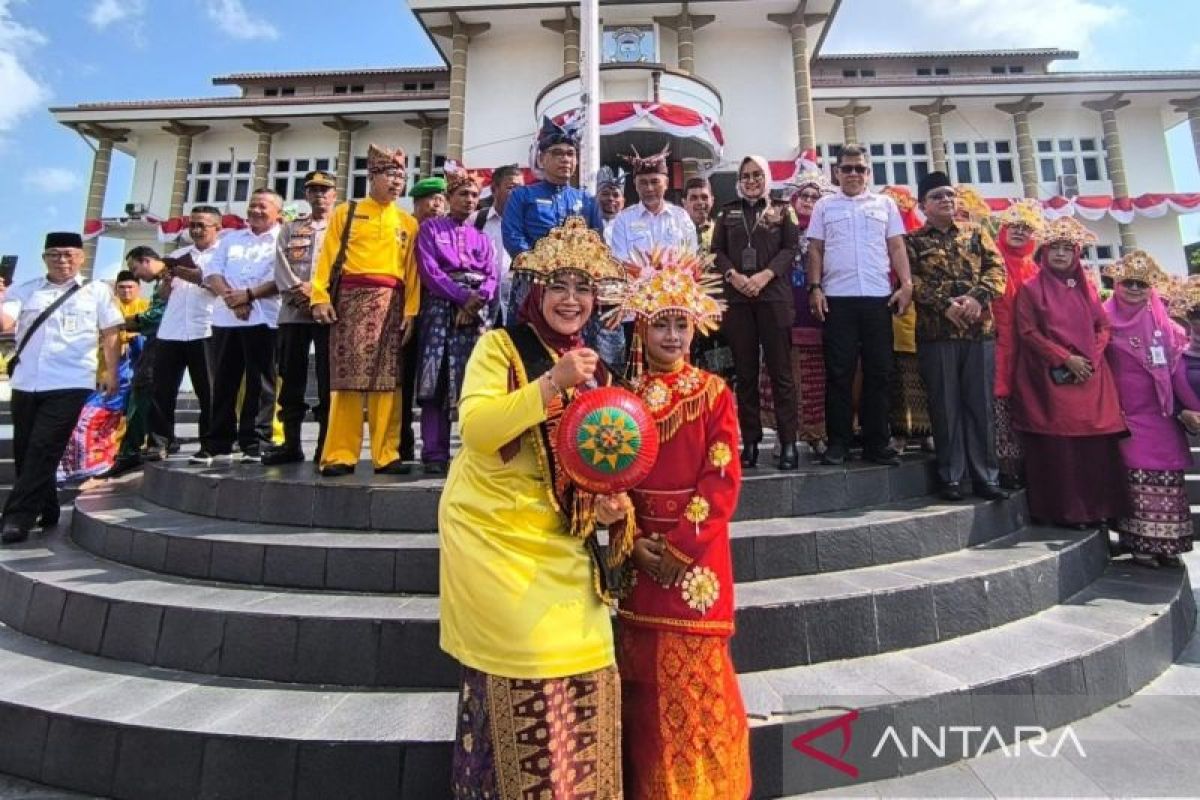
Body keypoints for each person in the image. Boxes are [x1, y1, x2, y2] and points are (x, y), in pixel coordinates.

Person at [439, 218, 627, 797]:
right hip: (495, 540)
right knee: (526, 671)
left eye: (582, 288)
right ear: (535, 293)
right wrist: (551, 385)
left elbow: (603, 463)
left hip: (565, 545)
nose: (571, 300)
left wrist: (613, 506)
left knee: (591, 666)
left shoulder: (599, 369)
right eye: (558, 286)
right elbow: (476, 428)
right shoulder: (500, 348)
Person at [610, 246, 751, 799]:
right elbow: (612, 477)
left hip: (697, 557)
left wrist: (679, 548)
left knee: (696, 684)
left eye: (681, 325)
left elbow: (721, 479)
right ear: (641, 328)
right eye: (661, 324)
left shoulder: (714, 393)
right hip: (638, 555)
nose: (672, 336)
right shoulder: (622, 398)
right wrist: (632, 539)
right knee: (640, 685)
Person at [0, 232, 123, 542]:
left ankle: (16, 518)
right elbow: (4, 323)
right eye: (54, 254)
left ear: (81, 258)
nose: (62, 260)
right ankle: (48, 506)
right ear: (44, 258)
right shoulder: (26, 291)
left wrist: (111, 372)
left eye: (69, 254)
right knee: (26, 449)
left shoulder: (95, 292)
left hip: (70, 381)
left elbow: (111, 333)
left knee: (44, 447)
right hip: (27, 381)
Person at [1009, 217, 1126, 528]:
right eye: (1054, 248)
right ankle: (1065, 512)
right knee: (1059, 448)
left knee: (1095, 449)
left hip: (1090, 376)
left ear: (1076, 254)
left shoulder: (1086, 287)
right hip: (1050, 378)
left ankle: (1097, 510)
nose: (1060, 254)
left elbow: (1103, 326)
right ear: (1043, 253)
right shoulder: (1031, 289)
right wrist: (1065, 358)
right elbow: (1028, 332)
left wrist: (1091, 358)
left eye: (1066, 248)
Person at [311, 144, 420, 477]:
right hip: (350, 300)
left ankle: (386, 454)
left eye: (401, 177)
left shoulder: (407, 222)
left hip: (391, 303)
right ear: (372, 176)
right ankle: (340, 454)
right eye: (390, 175)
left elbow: (412, 271)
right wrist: (319, 296)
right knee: (345, 381)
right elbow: (328, 257)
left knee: (388, 382)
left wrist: (411, 311)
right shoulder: (347, 211)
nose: (397, 182)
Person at [806, 144, 913, 467]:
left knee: (880, 372)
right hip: (837, 298)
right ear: (836, 172)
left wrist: (906, 284)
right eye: (847, 168)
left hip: (878, 297)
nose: (853, 174)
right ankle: (839, 442)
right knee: (839, 372)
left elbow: (896, 246)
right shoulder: (825, 206)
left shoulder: (885, 205)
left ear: (869, 173)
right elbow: (815, 250)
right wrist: (815, 288)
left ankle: (876, 443)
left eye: (860, 169)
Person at [906, 171, 1008, 502]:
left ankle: (986, 477)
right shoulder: (913, 241)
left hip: (979, 333)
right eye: (937, 196)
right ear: (923, 205)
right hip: (938, 334)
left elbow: (998, 271)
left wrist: (977, 298)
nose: (946, 200)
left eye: (950, 195)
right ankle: (951, 476)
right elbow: (911, 282)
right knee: (945, 407)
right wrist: (943, 304)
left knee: (980, 406)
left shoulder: (976, 234)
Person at [1103, 250, 1200, 567]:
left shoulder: (1163, 321)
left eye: (1141, 284)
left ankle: (1168, 545)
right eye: (1128, 282)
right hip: (1125, 411)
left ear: (1151, 288)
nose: (1134, 288)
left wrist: (1188, 407)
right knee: (1136, 477)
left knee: (1167, 479)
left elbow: (1177, 366)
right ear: (1117, 284)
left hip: (1162, 414)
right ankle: (1141, 544)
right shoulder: (1103, 318)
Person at [713, 154, 801, 469]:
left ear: (766, 177)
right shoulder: (727, 212)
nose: (751, 181)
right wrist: (734, 276)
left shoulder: (782, 209)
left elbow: (791, 248)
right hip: (738, 299)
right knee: (746, 372)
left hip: (773, 296)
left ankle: (788, 441)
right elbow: (717, 251)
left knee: (780, 373)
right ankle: (749, 442)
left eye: (757, 175)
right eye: (746, 175)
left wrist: (764, 276)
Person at [415, 165, 496, 474]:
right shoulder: (431, 230)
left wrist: (477, 301)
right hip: (440, 309)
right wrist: (462, 298)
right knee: (434, 381)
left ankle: (472, 451)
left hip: (476, 314)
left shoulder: (482, 237)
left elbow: (490, 276)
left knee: (475, 381)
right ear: (449, 197)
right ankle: (434, 453)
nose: (469, 200)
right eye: (463, 194)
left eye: (474, 195)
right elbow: (430, 272)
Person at [203, 188, 284, 463]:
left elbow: (282, 278)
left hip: (265, 318)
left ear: (278, 212)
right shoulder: (230, 239)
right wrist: (233, 300)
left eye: (263, 206)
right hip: (227, 318)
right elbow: (212, 272)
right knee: (224, 381)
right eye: (252, 205)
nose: (256, 211)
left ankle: (256, 440)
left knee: (261, 383)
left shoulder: (282, 240)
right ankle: (219, 442)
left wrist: (249, 295)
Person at [501, 116, 604, 322]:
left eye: (570, 154)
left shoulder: (587, 201)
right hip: (532, 281)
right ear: (541, 159)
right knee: (526, 343)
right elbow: (513, 237)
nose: (565, 159)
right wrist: (543, 267)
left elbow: (597, 243)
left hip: (574, 286)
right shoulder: (522, 195)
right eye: (557, 153)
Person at [266, 170, 337, 465]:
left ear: (335, 194)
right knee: (291, 379)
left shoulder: (341, 227)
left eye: (325, 190)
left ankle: (326, 446)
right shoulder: (292, 228)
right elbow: (281, 264)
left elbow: (344, 266)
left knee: (327, 380)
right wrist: (303, 294)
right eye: (313, 190)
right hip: (294, 313)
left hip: (328, 314)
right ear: (306, 195)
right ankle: (291, 444)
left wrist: (320, 295)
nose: (319, 195)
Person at [155, 206, 220, 465]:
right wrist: (166, 279)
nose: (196, 230)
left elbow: (226, 290)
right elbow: (162, 296)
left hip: (205, 328)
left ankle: (209, 444)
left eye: (202, 225)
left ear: (217, 227)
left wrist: (199, 278)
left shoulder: (223, 256)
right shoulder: (178, 254)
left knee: (210, 392)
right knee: (162, 391)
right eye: (192, 225)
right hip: (171, 330)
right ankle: (160, 441)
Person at [992, 199, 1044, 489]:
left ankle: (1029, 472)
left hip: (1029, 351)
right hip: (996, 344)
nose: (1019, 232)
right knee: (998, 405)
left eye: (1025, 229)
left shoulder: (1036, 271)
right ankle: (1002, 468)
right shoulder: (990, 260)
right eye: (1013, 226)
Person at [880, 185, 932, 454]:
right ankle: (898, 434)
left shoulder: (918, 241)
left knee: (924, 378)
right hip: (887, 315)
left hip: (920, 317)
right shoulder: (879, 240)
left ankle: (927, 434)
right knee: (896, 379)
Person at [108, 247, 168, 475]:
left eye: (135, 269)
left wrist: (124, 323)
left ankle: (131, 451)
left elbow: (157, 317)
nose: (136, 275)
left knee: (143, 391)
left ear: (146, 261)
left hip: (162, 343)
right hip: (162, 343)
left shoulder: (170, 278)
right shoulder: (163, 280)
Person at [401, 175, 448, 463]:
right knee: (401, 381)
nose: (435, 206)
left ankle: (434, 447)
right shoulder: (406, 229)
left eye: (439, 200)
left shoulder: (448, 231)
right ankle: (400, 443)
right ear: (416, 204)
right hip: (403, 313)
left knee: (435, 382)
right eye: (429, 200)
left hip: (435, 315)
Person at [608, 146, 698, 261]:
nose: (649, 188)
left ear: (666, 183)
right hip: (636, 279)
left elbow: (690, 257)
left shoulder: (681, 217)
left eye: (655, 182)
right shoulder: (623, 220)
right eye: (643, 182)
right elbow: (621, 261)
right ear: (635, 185)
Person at [467, 164, 523, 326]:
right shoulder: (476, 220)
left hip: (516, 304)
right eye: (511, 187)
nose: (517, 193)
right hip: (482, 304)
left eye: (521, 189)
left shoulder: (528, 223)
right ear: (494, 189)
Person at [683, 177, 715, 250]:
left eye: (704, 197)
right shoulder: (676, 232)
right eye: (694, 198)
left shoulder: (721, 233)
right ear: (684, 203)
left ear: (712, 201)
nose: (700, 202)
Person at [597, 165, 627, 239]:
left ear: (623, 201)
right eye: (605, 194)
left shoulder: (630, 224)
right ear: (596, 198)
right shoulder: (587, 223)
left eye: (616, 195)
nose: (610, 198)